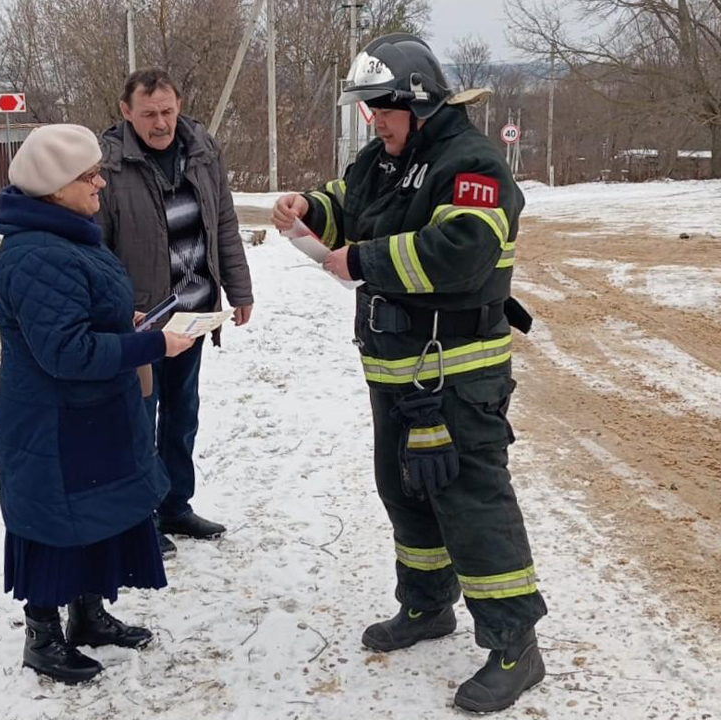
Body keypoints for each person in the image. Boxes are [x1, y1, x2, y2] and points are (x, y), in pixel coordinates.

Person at [270, 34, 548, 713]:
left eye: (382, 110)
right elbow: (348, 198)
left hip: (458, 372)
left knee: (471, 502)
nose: (374, 122)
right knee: (405, 491)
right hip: (395, 369)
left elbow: (462, 253)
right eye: (367, 111)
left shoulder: (471, 162)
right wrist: (310, 209)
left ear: (418, 102)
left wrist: (363, 261)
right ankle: (427, 607)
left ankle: (515, 644)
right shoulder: (386, 157)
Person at [0, 123, 195, 683]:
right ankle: (43, 637)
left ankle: (87, 615)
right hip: (54, 422)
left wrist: (128, 323)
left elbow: (81, 317)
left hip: (89, 413)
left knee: (92, 514)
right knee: (56, 521)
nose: (101, 183)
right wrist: (153, 343)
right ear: (57, 186)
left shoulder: (67, 235)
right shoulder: (36, 253)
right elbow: (65, 351)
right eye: (89, 175)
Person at [96, 68, 254, 553]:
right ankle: (137, 518)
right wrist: (115, 313)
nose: (160, 123)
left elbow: (222, 218)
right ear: (126, 112)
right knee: (138, 418)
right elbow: (97, 247)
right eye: (148, 114)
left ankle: (174, 507)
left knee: (182, 414)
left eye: (167, 111)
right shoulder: (108, 162)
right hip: (142, 321)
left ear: (179, 105)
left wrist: (238, 287)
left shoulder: (202, 149)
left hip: (194, 314)